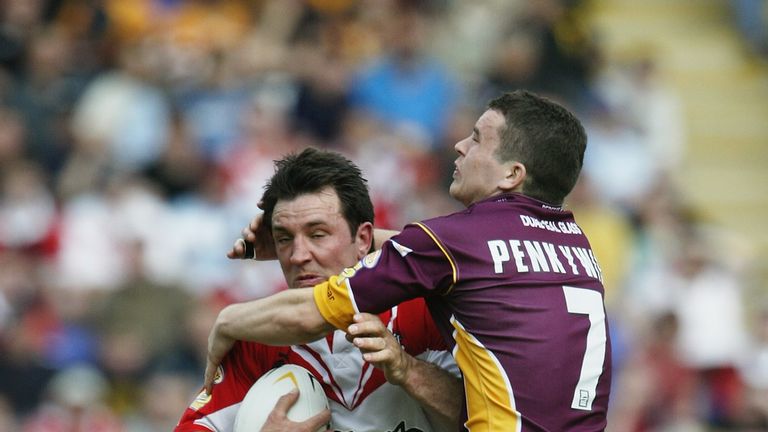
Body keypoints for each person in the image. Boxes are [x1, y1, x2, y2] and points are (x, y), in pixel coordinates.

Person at [206, 90, 612, 431]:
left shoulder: (457, 241)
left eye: (476, 139)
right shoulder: (578, 248)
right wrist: (325, 238)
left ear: (511, 174)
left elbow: (311, 314)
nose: (460, 145)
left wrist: (227, 323)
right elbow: (440, 255)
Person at [176, 148, 462, 431]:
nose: (298, 255)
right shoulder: (260, 337)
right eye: (284, 239)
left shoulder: (425, 312)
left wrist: (408, 370)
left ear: (364, 239)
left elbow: (485, 417)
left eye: (317, 234)